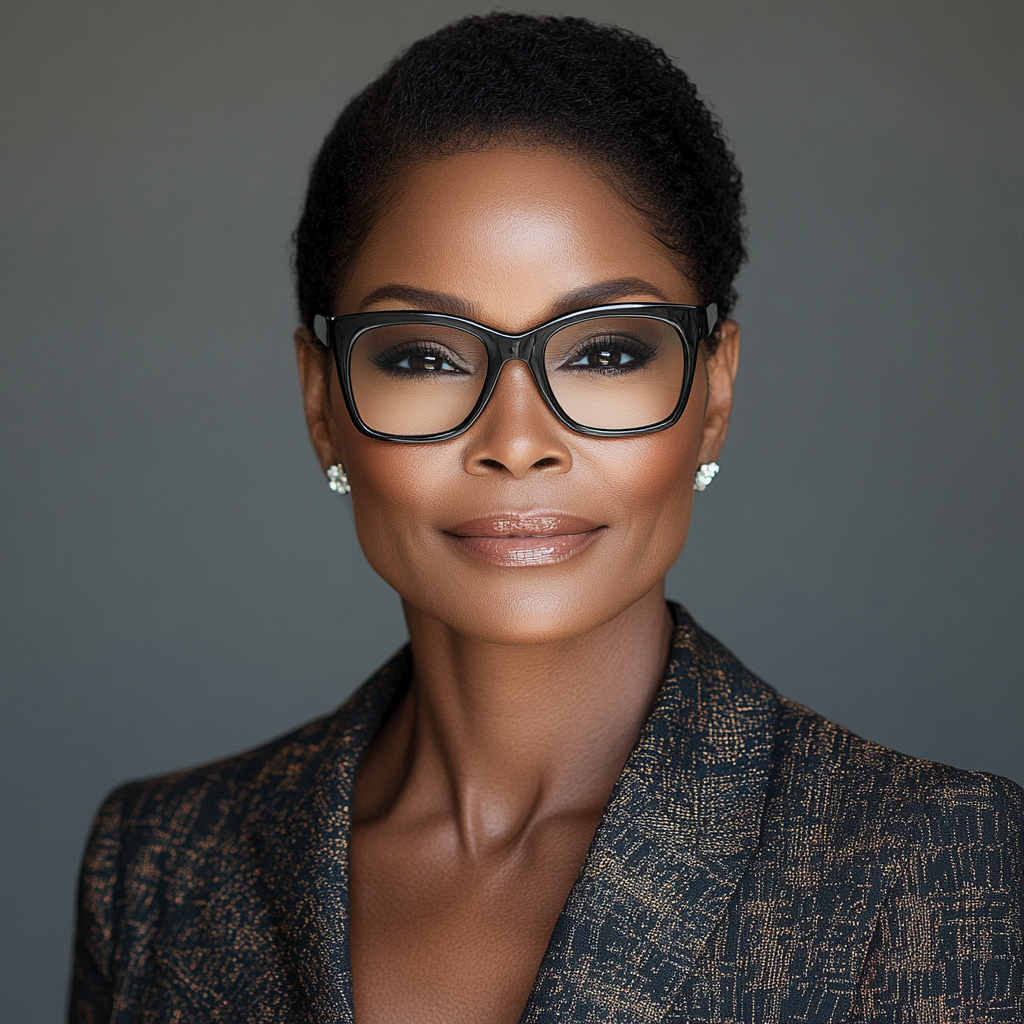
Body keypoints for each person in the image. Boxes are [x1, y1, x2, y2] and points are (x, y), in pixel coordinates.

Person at [70, 13, 1022, 1024]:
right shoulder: (162, 866)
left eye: (607, 351)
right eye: (424, 355)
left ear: (713, 397)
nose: (517, 439)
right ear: (322, 406)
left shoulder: (937, 863)